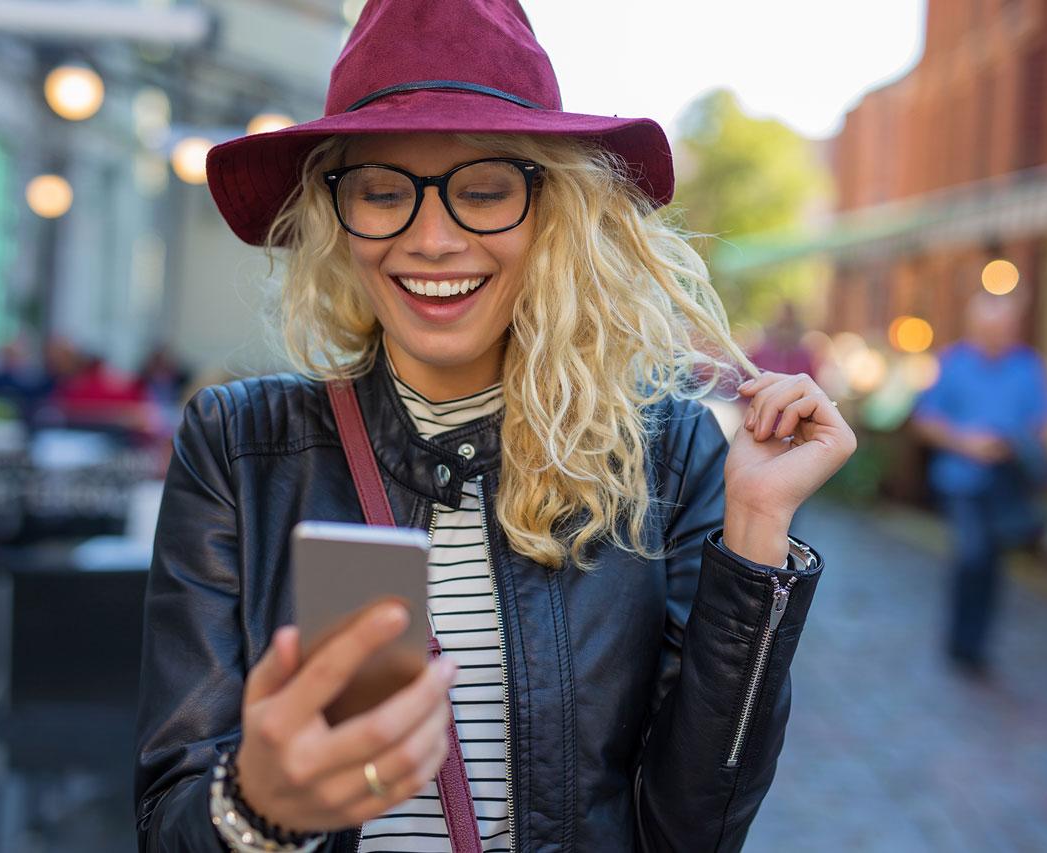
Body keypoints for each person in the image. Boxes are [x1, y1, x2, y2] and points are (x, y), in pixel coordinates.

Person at [134, 2, 856, 851]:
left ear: (554, 210)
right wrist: (260, 801)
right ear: (337, 214)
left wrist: (759, 528)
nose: (433, 237)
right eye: (382, 190)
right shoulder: (239, 449)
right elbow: (167, 822)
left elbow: (690, 830)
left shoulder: (670, 454)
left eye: (484, 190)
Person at [913, 290, 1047, 678]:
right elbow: (925, 420)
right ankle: (961, 641)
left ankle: (976, 644)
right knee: (972, 554)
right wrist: (966, 442)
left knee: (992, 563)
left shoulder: (1028, 366)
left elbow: (1041, 421)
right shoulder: (954, 363)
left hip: (1005, 482)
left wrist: (1011, 443)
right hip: (962, 480)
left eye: (1005, 326)